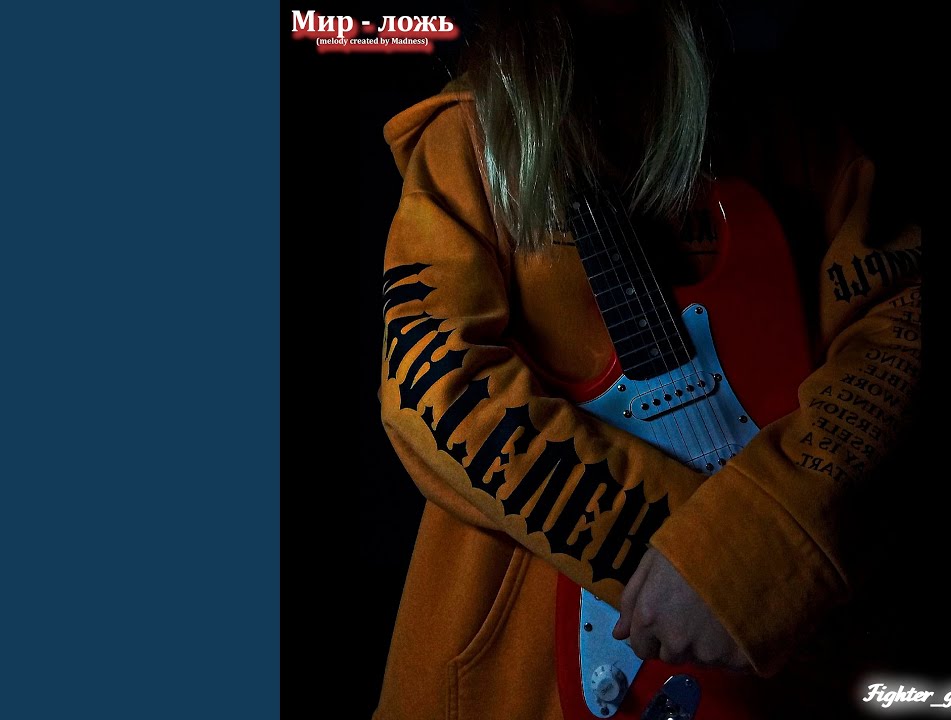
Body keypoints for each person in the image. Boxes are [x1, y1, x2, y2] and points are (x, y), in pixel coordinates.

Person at [374, 1, 922, 717]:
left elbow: (899, 329)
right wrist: (716, 557)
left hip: (795, 673)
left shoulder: (794, 129)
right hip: (514, 685)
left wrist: (753, 546)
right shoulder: (467, 141)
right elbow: (437, 388)